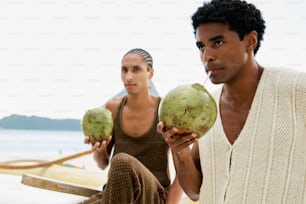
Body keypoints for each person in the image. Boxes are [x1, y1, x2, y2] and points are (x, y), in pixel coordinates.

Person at [157, 0, 306, 203]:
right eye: (202, 47)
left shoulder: (297, 88)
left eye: (218, 42)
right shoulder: (204, 113)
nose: (206, 56)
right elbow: (195, 191)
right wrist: (180, 149)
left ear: (250, 41)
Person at [80, 48, 183, 204]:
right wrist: (99, 151)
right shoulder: (112, 109)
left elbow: (182, 170)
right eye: (124, 70)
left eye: (136, 69)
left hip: (154, 194)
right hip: (116, 194)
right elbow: (103, 165)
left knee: (122, 161)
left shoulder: (165, 111)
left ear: (151, 73)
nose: (128, 76)